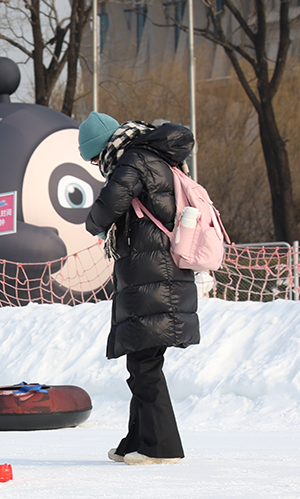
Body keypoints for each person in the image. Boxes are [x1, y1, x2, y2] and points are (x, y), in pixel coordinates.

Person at [79, 112, 197, 466]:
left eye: (95, 157)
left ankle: (162, 447)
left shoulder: (133, 160)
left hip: (153, 273)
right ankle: (136, 440)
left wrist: (94, 224)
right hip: (157, 271)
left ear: (104, 146)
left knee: (145, 365)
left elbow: (106, 208)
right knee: (142, 361)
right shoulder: (153, 157)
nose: (97, 165)